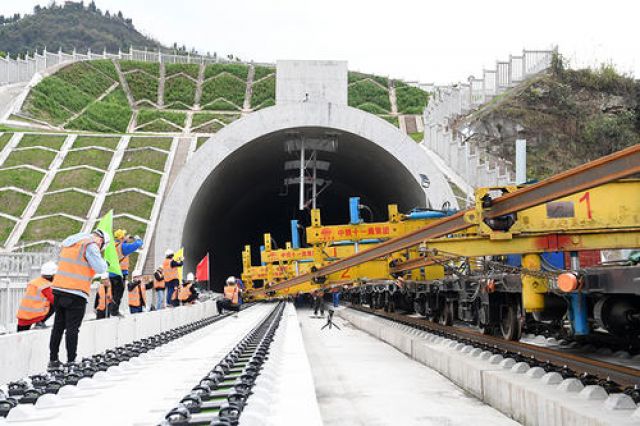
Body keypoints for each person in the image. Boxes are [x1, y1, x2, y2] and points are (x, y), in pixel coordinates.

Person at [49, 229, 108, 369]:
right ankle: (71, 361)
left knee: (58, 327)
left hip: (58, 290)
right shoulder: (90, 245)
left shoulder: (72, 242)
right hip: (75, 293)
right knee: (72, 328)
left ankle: (53, 360)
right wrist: (105, 263)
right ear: (101, 240)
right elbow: (100, 268)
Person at [109, 230, 143, 316]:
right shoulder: (123, 247)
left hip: (111, 273)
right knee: (118, 293)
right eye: (124, 236)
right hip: (120, 273)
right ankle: (114, 311)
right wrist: (137, 239)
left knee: (114, 293)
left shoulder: (112, 246)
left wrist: (125, 240)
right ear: (121, 238)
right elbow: (138, 244)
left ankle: (111, 309)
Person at [16, 261, 57, 332]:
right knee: (56, 303)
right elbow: (55, 301)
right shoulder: (47, 286)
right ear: (53, 275)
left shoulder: (33, 282)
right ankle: (40, 323)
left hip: (22, 317)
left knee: (19, 338)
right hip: (36, 316)